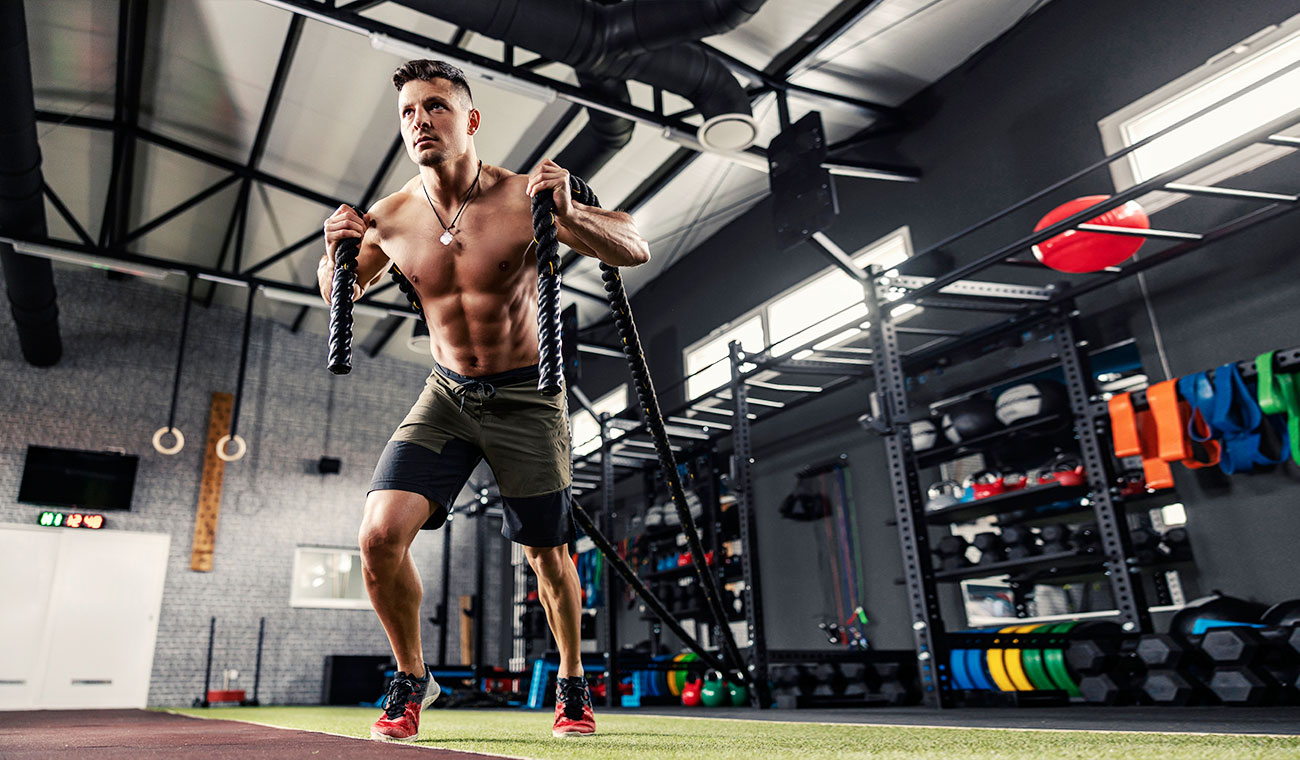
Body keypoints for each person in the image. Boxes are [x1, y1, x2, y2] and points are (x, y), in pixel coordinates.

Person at [319, 60, 649, 742]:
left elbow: (635, 247)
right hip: (446, 395)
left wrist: (571, 213)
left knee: (546, 555)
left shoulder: (524, 195)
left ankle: (571, 679)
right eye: (409, 113)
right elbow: (340, 294)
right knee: (378, 537)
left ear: (469, 121)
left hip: (528, 399)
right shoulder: (391, 214)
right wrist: (335, 255)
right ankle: (413, 678)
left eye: (436, 107)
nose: (420, 122)